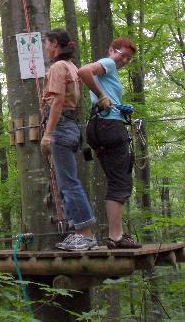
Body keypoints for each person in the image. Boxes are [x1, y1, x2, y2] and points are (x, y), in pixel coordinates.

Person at [78, 37, 142, 249]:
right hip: (109, 127)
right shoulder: (108, 63)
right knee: (120, 183)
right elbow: (83, 71)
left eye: (129, 58)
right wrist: (102, 95)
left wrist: (116, 104)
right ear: (112, 50)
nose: (124, 60)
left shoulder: (109, 71)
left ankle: (116, 235)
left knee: (116, 179)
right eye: (122, 55)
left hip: (98, 126)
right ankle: (116, 237)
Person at [40, 29, 97, 251]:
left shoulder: (57, 67)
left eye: (47, 43)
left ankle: (85, 235)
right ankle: (81, 233)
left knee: (68, 183)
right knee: (67, 182)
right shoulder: (72, 67)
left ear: (55, 44)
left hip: (61, 127)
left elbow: (57, 102)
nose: (46, 48)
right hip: (70, 127)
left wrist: (47, 133)